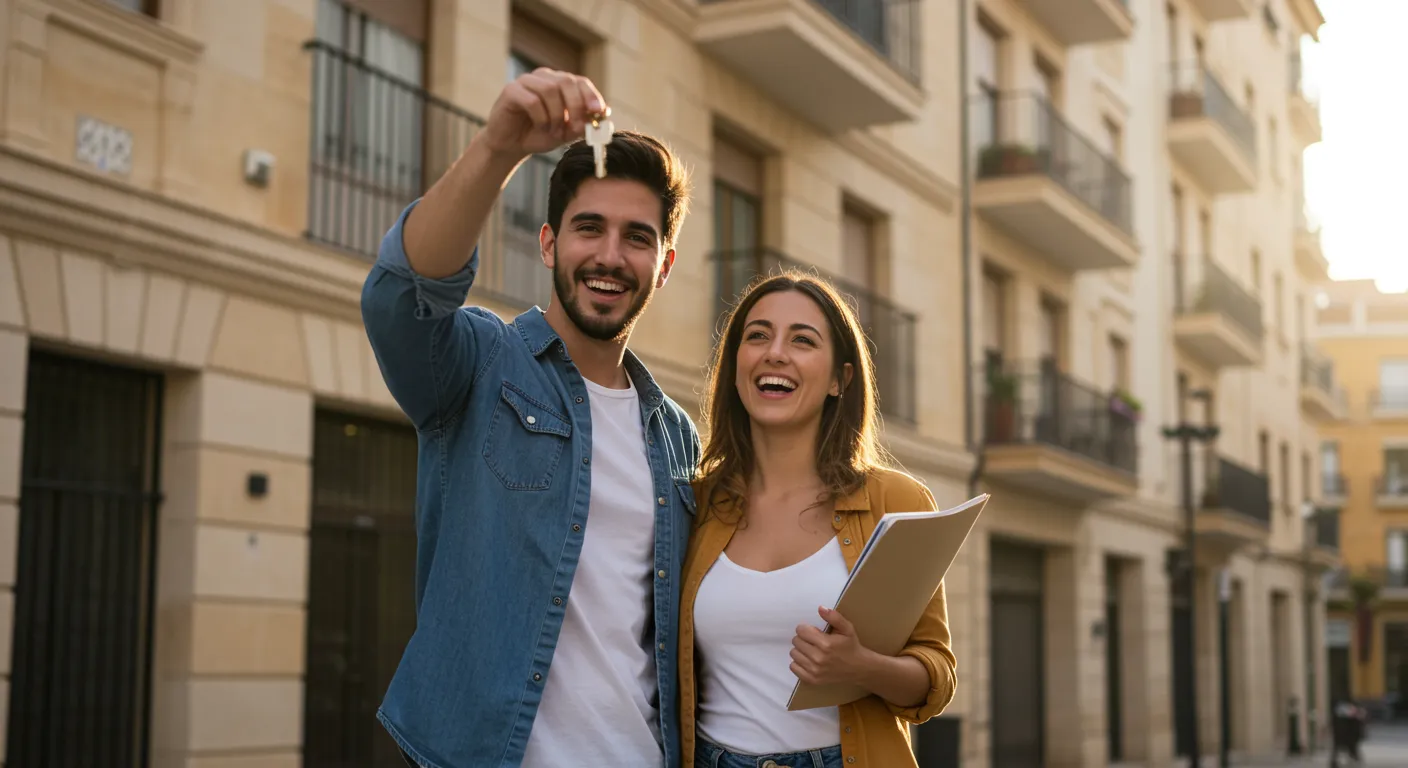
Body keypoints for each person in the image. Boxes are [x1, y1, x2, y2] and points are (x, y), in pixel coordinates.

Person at [361, 66, 699, 768]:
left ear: (664, 265)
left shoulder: (676, 437)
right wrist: (499, 147)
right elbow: (401, 298)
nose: (610, 256)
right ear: (548, 244)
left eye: (637, 238)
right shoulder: (482, 364)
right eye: (588, 229)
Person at [679, 272, 958, 768]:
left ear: (839, 380)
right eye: (758, 336)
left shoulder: (896, 501)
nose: (775, 353)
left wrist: (862, 667)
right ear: (736, 366)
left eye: (802, 340)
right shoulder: (694, 502)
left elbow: (936, 675)